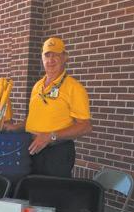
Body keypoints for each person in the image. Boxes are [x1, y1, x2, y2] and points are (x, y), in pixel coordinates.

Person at [5, 37, 92, 177]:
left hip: (56, 153)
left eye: (56, 55)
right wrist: (17, 127)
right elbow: (36, 117)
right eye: (47, 55)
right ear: (42, 58)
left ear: (65, 57)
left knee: (50, 195)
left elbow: (85, 126)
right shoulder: (37, 86)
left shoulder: (74, 87)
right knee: (31, 194)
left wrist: (50, 136)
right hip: (31, 149)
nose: (51, 60)